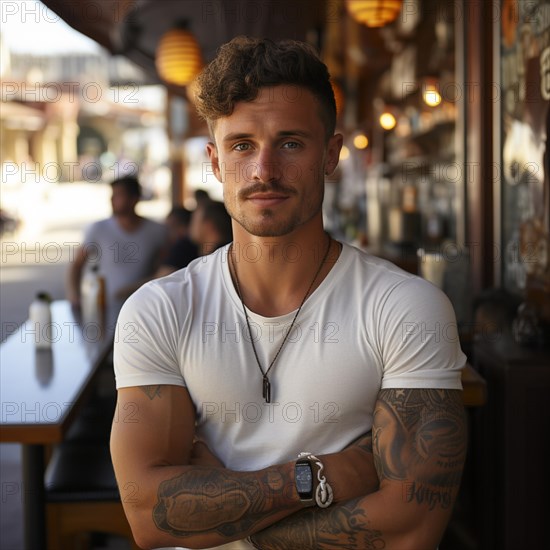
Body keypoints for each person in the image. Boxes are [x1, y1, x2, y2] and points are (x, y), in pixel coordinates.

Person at [111, 36, 467, 550]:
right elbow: (150, 514)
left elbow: (412, 524)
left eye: (291, 143)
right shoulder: (160, 310)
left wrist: (236, 535)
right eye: (241, 146)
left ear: (331, 154)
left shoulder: (406, 308)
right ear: (215, 162)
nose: (264, 171)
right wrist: (328, 476)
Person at [66, 175, 168, 314]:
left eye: (118, 195)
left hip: (145, 309)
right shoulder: (98, 229)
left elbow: (165, 272)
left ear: (134, 199)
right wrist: (74, 296)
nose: (112, 200)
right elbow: (76, 265)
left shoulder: (157, 231)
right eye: (112, 195)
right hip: (104, 309)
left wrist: (133, 289)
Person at [156, 207, 199, 277]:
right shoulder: (196, 244)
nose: (167, 233)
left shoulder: (183, 246)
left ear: (181, 228)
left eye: (169, 228)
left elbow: (162, 276)